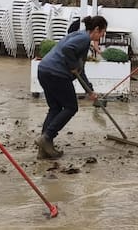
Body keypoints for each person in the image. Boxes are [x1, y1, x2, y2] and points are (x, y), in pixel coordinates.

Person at [36, 15, 107, 159]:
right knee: (71, 107)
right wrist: (73, 65)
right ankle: (47, 137)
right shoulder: (84, 39)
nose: (102, 36)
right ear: (97, 29)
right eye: (103, 32)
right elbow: (68, 50)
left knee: (55, 108)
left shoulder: (79, 35)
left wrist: (89, 90)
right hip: (56, 74)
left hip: (44, 70)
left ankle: (44, 150)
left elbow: (81, 71)